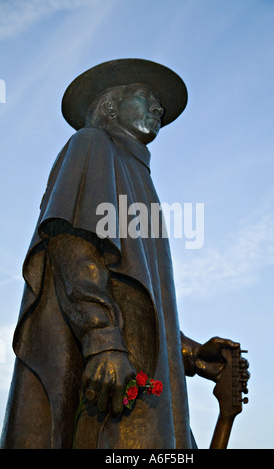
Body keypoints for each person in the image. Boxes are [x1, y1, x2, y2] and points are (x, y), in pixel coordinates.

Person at [1, 59, 248, 449]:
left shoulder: (139, 178)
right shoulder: (93, 144)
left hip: (139, 377)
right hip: (111, 377)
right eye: (146, 97)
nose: (158, 109)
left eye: (159, 105)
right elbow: (74, 244)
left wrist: (194, 354)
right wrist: (103, 341)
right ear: (112, 106)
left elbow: (138, 297)